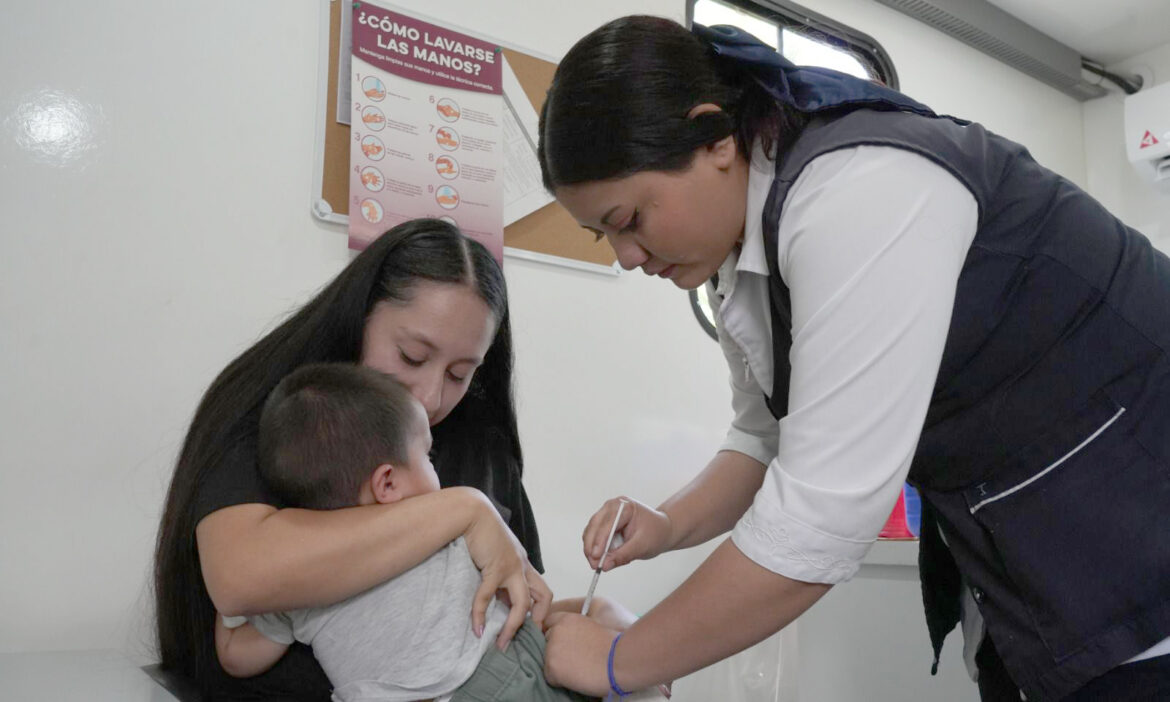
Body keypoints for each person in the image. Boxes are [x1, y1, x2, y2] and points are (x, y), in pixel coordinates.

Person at [536, 15, 1170, 702]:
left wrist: (620, 661)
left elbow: (817, 521)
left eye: (629, 221)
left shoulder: (859, 188)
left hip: (1132, 523)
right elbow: (761, 439)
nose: (628, 257)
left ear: (716, 137)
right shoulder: (734, 260)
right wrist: (667, 524)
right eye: (603, 237)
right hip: (1027, 564)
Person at [154, 219, 550, 700]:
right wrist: (463, 510)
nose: (429, 397)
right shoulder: (291, 420)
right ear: (359, 316)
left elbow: (517, 611)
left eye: (460, 374)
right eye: (410, 355)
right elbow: (241, 579)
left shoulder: (480, 443)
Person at [215, 363, 590, 702]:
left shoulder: (298, 589)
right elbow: (517, 600)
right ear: (388, 483)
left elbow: (236, 656)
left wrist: (226, 604)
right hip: (495, 676)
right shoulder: (442, 529)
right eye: (427, 455)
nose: (434, 467)